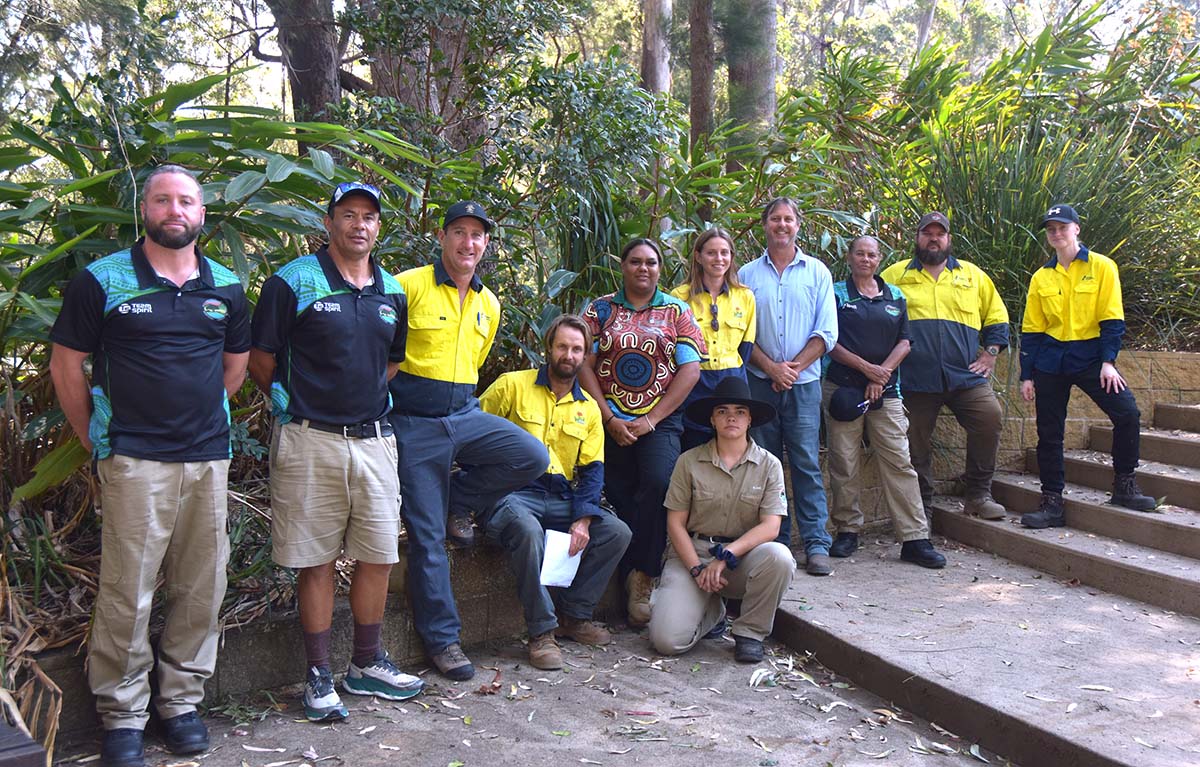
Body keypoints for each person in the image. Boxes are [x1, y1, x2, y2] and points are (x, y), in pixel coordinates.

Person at [49, 164, 250, 767]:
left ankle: (181, 703)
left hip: (208, 458)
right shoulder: (103, 280)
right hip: (135, 460)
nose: (175, 210)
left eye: (186, 201)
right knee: (126, 592)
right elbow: (67, 366)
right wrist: (96, 438)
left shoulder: (227, 286)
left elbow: (234, 368)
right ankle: (122, 715)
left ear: (202, 213)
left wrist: (202, 420)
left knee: (200, 586)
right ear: (146, 209)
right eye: (162, 200)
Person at [249, 182, 424, 723]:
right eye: (348, 215)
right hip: (310, 439)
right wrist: (290, 403)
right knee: (316, 558)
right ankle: (319, 673)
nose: (359, 225)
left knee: (378, 554)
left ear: (378, 228)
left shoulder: (392, 290)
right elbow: (261, 358)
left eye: (369, 217)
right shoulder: (293, 280)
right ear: (329, 223)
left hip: (375, 440)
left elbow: (390, 364)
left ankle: (366, 663)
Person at [388, 201, 548, 681]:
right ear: (442, 237)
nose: (468, 243)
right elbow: (380, 352)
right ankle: (443, 640)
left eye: (477, 235)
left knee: (530, 456)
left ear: (485, 245)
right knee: (427, 536)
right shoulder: (407, 284)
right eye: (459, 232)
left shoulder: (488, 302)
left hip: (465, 413)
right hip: (415, 421)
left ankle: (457, 501)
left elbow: (475, 361)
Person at [477, 314, 632, 670]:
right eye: (562, 346)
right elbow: (470, 432)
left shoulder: (589, 409)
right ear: (549, 348)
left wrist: (583, 518)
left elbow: (593, 471)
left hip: (559, 495)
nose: (569, 354)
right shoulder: (510, 386)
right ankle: (541, 632)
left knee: (616, 532)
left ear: (585, 356)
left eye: (577, 349)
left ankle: (574, 616)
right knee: (527, 530)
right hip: (510, 493)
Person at [578, 238, 705, 626]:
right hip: (607, 418)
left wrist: (651, 419)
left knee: (658, 483)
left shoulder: (676, 310)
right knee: (616, 491)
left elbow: (690, 369)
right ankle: (631, 570)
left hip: (660, 419)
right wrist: (608, 417)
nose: (643, 269)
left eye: (651, 262)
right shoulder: (600, 309)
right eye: (636, 262)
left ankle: (643, 574)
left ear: (660, 268)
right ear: (623, 266)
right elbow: (583, 359)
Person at [1018, 204, 1155, 527]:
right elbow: (1032, 329)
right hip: (1050, 361)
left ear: (1076, 229)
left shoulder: (1102, 267)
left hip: (1091, 357)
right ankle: (1052, 501)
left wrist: (1108, 362)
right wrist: (1026, 375)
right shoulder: (1042, 277)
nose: (1056, 233)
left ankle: (1125, 484)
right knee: (1049, 433)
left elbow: (1112, 318)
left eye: (1062, 227)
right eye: (1051, 229)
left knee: (1127, 413)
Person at [648, 377, 795, 663]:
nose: (731, 417)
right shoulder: (688, 461)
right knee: (666, 642)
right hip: (695, 555)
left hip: (742, 559)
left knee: (779, 556)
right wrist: (695, 570)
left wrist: (726, 556)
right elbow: (675, 524)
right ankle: (712, 611)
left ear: (750, 419)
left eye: (740, 411)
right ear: (712, 420)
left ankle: (750, 633)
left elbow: (771, 526)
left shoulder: (769, 464)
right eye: (723, 411)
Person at [822, 236, 946, 568]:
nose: (865, 259)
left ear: (880, 259)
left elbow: (905, 341)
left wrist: (882, 375)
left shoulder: (895, 295)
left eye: (871, 254)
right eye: (859, 253)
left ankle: (915, 538)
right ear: (849, 257)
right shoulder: (836, 294)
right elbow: (829, 342)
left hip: (888, 392)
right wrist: (867, 371)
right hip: (844, 390)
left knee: (899, 462)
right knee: (843, 462)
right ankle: (847, 530)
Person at [880, 212, 1010, 520]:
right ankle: (922, 507)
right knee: (914, 442)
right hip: (913, 379)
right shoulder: (893, 275)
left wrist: (990, 353)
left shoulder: (973, 275)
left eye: (940, 234)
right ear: (917, 237)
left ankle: (978, 495)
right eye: (928, 233)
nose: (934, 238)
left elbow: (997, 317)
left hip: (965, 376)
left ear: (949, 240)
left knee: (989, 418)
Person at [737, 197, 837, 576]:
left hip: (804, 384)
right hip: (760, 383)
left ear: (799, 225)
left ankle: (816, 543)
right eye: (775, 219)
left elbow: (826, 331)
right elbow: (742, 334)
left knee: (806, 463)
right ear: (765, 225)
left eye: (788, 219)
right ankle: (776, 542)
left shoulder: (818, 273)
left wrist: (791, 370)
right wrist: (772, 369)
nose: (782, 225)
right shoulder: (746, 274)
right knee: (765, 464)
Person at [669, 228, 757, 452]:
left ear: (731, 257)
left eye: (724, 253)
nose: (719, 259)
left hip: (732, 380)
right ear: (698, 256)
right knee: (694, 448)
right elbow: (672, 348)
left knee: (731, 448)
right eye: (711, 253)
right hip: (693, 381)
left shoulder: (744, 296)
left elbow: (746, 347)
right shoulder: (680, 297)